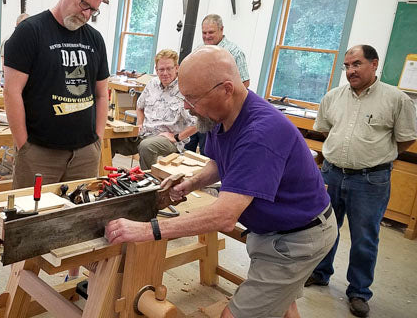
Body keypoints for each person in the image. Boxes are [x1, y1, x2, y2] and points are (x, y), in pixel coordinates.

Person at [105, 46, 338, 318]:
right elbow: (220, 163)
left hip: (297, 239)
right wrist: (191, 183)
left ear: (227, 89)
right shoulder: (217, 117)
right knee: (283, 302)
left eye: (193, 99)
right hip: (273, 230)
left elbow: (224, 217)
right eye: (185, 96)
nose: (186, 107)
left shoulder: (260, 133)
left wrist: (147, 230)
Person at [305, 45, 417, 317]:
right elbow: (326, 130)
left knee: (365, 238)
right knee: (325, 228)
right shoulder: (332, 97)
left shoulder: (396, 99)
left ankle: (358, 292)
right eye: (347, 66)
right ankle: (320, 273)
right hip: (331, 173)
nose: (350, 71)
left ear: (374, 64)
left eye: (356, 64)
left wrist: (374, 156)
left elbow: (406, 139)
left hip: (371, 180)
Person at [3, 0, 108, 189]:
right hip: (39, 153)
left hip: (85, 154)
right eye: (84, 4)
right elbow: (12, 92)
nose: (87, 14)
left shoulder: (95, 40)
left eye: (93, 10)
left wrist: (97, 140)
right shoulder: (29, 32)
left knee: (79, 219)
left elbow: (101, 94)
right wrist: (24, 146)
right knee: (29, 218)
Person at [111, 49, 196, 169]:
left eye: (169, 68)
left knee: (147, 146)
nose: (165, 73)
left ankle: (149, 183)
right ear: (156, 70)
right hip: (145, 133)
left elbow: (198, 123)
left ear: (177, 68)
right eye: (161, 69)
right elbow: (140, 107)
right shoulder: (152, 84)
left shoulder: (186, 89)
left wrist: (177, 137)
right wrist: (139, 123)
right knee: (111, 140)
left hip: (169, 140)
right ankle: (102, 179)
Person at [185, 14, 250, 153]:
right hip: (198, 110)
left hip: (218, 113)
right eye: (204, 33)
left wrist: (220, 102)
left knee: (208, 152)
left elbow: (244, 83)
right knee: (187, 150)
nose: (207, 36)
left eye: (211, 32)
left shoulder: (234, 53)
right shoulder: (199, 50)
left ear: (221, 30)